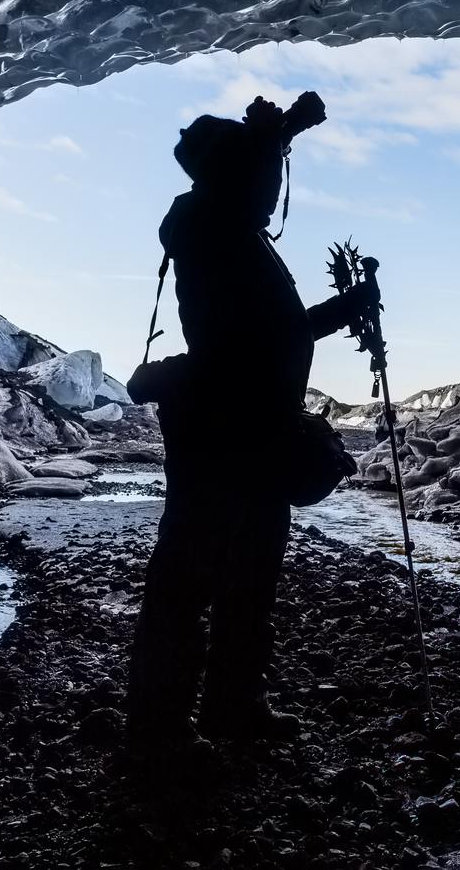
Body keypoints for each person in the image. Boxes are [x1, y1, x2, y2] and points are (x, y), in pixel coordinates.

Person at [124, 92, 372, 756]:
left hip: (252, 425)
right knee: (191, 575)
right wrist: (278, 132)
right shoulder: (215, 230)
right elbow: (251, 338)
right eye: (262, 176)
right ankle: (159, 730)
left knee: (250, 572)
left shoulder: (231, 228)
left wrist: (343, 308)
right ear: (236, 176)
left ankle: (233, 703)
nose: (271, 189)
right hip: (221, 426)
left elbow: (276, 331)